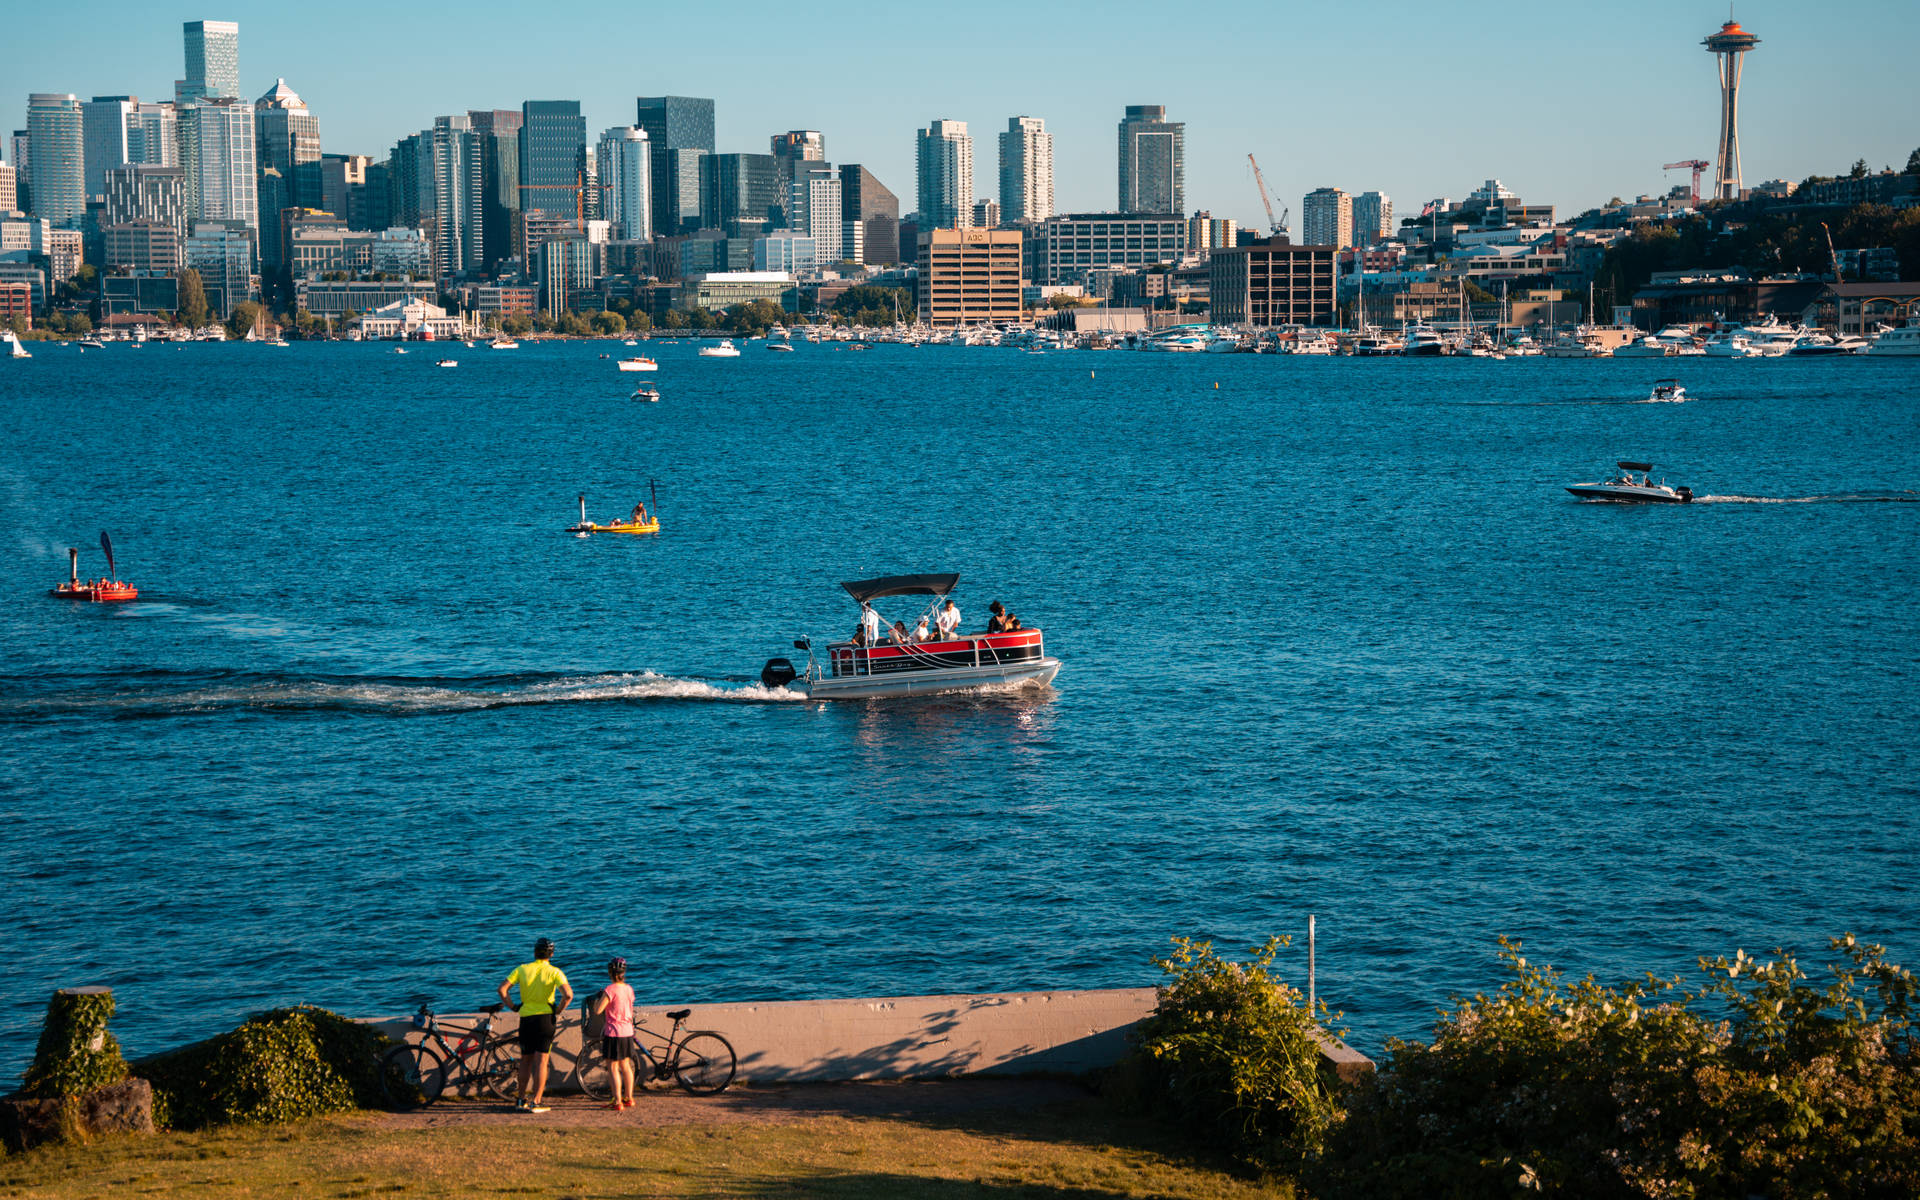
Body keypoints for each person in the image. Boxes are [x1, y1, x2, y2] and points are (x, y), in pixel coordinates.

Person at [498, 937, 573, 1113]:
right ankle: (536, 1101)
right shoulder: (555, 972)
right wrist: (558, 1010)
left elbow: (502, 989)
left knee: (525, 1060)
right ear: (551, 954)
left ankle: (520, 1099)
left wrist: (513, 1006)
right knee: (542, 1061)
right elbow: (568, 995)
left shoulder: (522, 969)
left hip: (526, 1019)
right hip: (546, 1019)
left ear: (534, 953)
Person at [585, 958, 637, 1111]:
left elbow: (598, 1010)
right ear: (623, 973)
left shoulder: (610, 990)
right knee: (626, 1066)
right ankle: (629, 1098)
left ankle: (617, 1101)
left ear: (610, 973)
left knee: (613, 1067)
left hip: (614, 1033)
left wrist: (601, 998)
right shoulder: (629, 989)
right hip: (628, 1031)